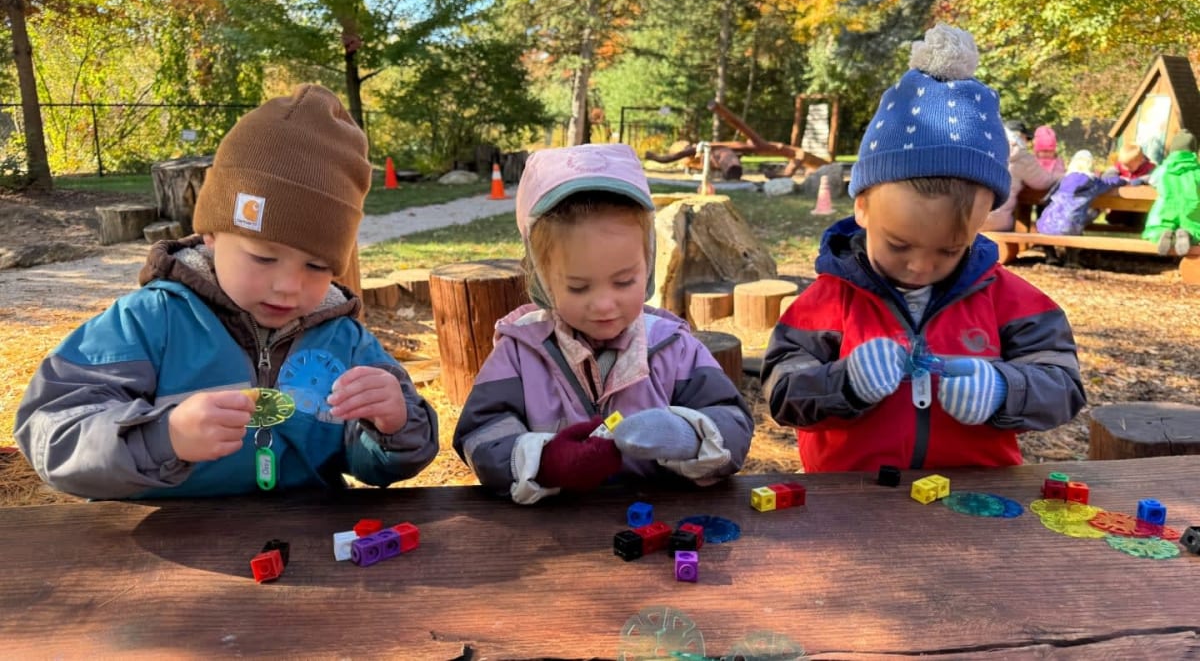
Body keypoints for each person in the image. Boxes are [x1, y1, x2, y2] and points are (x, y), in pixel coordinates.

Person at [14, 84, 439, 499]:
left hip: (306, 537)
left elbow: (381, 463)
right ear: (211, 235)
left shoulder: (345, 341)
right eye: (263, 258)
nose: (288, 286)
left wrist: (394, 426)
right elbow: (52, 430)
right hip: (161, 538)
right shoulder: (150, 322)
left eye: (316, 266)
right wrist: (163, 437)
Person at [760, 24, 1086, 473]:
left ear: (980, 224)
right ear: (862, 207)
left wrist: (1003, 389)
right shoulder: (829, 302)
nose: (919, 266)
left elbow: (1064, 386)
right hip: (850, 495)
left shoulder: (1009, 300)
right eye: (898, 245)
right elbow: (781, 392)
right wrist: (844, 383)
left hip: (978, 493)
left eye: (949, 251)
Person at [453, 143, 753, 504]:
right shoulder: (520, 351)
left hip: (663, 520)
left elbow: (734, 425)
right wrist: (544, 461)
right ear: (543, 280)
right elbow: (479, 435)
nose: (604, 304)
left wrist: (687, 435)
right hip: (556, 530)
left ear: (648, 266)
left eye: (624, 281)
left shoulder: (673, 347)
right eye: (578, 287)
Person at [980, 119, 1061, 231]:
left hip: (970, 217)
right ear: (1021, 137)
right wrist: (1062, 176)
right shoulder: (1022, 157)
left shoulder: (986, 146)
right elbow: (1042, 182)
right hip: (996, 221)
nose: (1027, 142)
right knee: (1009, 220)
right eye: (1026, 138)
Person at [1036, 150, 1126, 237]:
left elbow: (1047, 198)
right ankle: (1071, 248)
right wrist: (1125, 180)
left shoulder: (1063, 179)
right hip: (1069, 227)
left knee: (1069, 217)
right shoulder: (1093, 182)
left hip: (1045, 225)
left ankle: (1050, 249)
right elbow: (1110, 182)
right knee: (1094, 211)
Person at [1142, 129, 1200, 256]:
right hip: (1191, 206)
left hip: (1167, 206)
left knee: (1159, 225)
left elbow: (1152, 180)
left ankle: (1162, 233)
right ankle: (1188, 235)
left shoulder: (1164, 169)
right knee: (1194, 227)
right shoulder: (1197, 170)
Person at [1102, 143, 1156, 228]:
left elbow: (1154, 177)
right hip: (1121, 202)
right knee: (1117, 215)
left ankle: (1137, 227)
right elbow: (1106, 177)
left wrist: (1141, 180)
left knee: (1140, 216)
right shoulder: (1117, 168)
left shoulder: (1149, 168)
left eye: (1130, 166)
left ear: (1140, 161)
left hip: (1140, 203)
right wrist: (1118, 180)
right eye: (1123, 165)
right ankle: (1116, 225)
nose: (1126, 168)